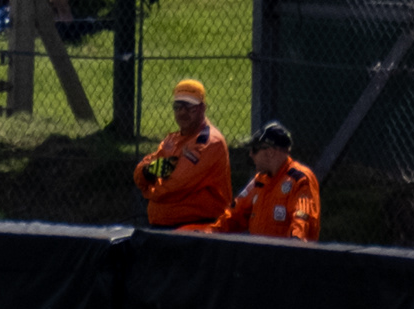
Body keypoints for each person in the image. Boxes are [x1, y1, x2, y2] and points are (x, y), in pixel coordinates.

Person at [132, 75, 232, 230]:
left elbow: (176, 186)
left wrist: (148, 191)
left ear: (202, 108)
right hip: (166, 227)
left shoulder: (209, 142)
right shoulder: (172, 140)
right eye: (178, 106)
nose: (182, 112)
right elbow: (140, 170)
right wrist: (147, 172)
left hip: (196, 228)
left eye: (190, 107)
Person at [217, 121, 321, 240]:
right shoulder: (260, 180)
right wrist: (208, 233)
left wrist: (294, 243)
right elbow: (234, 215)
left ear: (270, 152)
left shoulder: (300, 180)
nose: (251, 154)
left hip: (287, 250)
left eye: (255, 149)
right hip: (260, 250)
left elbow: (301, 222)